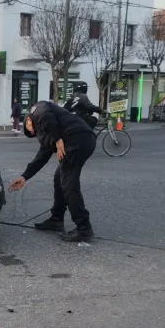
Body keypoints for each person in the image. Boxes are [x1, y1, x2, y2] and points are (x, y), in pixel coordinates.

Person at [8, 101, 97, 242]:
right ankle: (57, 219)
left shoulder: (37, 110)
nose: (32, 132)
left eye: (30, 129)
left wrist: (58, 139)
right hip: (78, 142)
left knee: (69, 185)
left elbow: (46, 111)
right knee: (59, 179)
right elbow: (41, 158)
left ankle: (84, 228)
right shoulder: (45, 133)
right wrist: (24, 177)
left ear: (28, 120)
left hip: (78, 139)